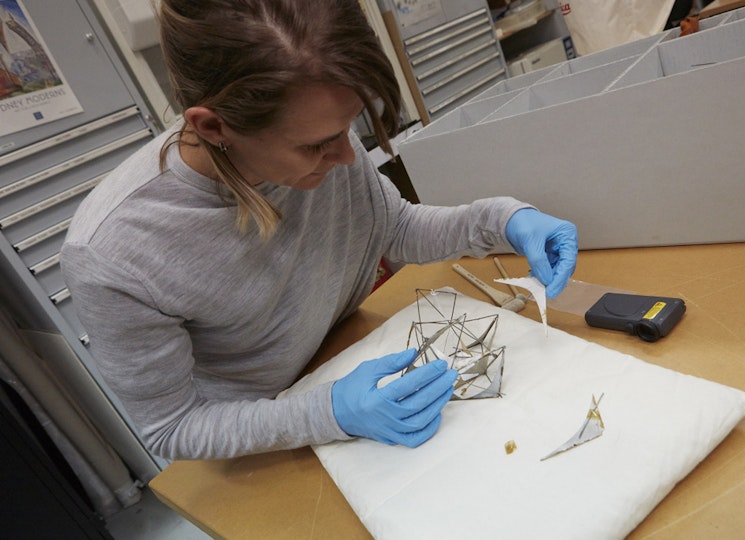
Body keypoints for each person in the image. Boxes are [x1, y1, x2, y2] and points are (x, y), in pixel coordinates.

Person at [60, 0, 578, 460]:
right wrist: (328, 413)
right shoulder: (112, 253)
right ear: (213, 127)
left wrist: (504, 220)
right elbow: (172, 427)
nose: (349, 156)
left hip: (355, 354)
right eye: (316, 146)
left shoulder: (313, 125)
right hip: (265, 433)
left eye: (350, 125)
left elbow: (392, 227)